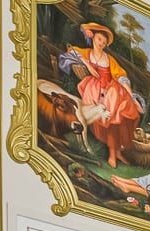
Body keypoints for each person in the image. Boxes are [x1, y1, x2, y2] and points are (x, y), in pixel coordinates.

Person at [57, 22, 145, 168]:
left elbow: (121, 76)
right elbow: (71, 50)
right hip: (93, 89)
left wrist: (131, 97)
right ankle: (113, 153)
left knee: (117, 116)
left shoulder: (109, 59)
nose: (101, 44)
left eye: (104, 42)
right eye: (99, 39)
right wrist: (87, 64)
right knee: (107, 116)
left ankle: (115, 152)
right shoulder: (86, 52)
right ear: (93, 38)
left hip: (112, 89)